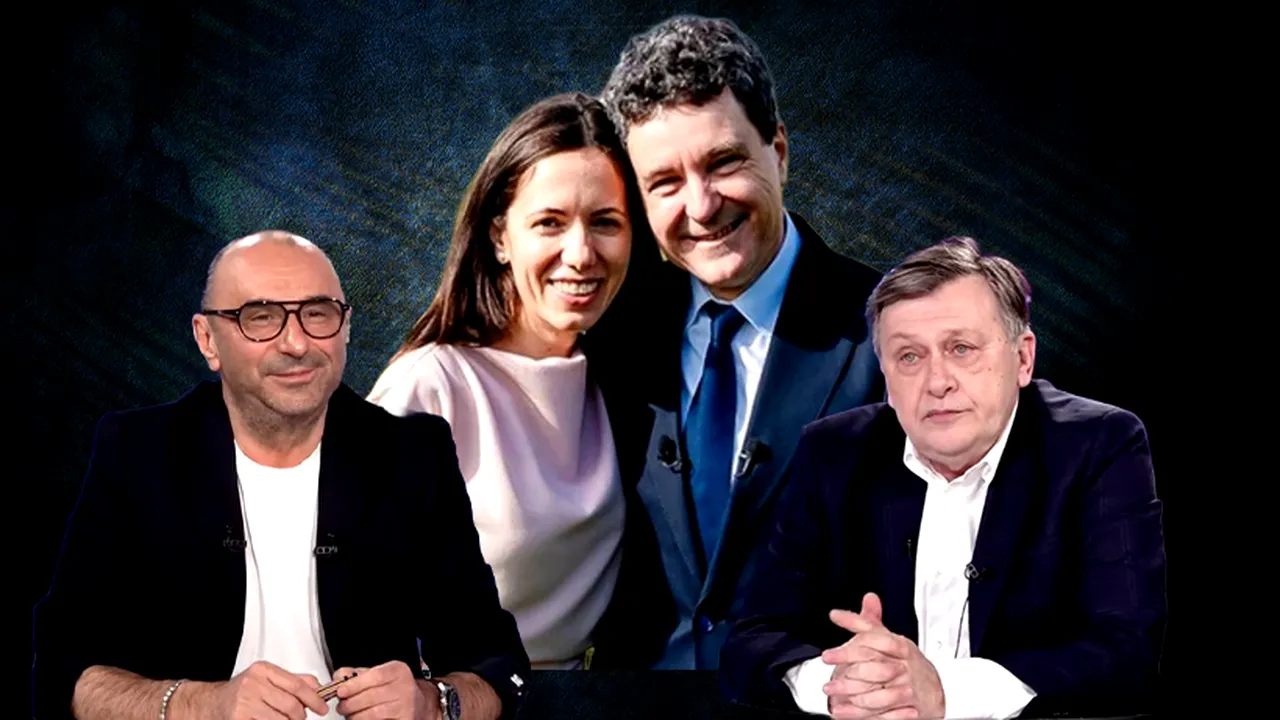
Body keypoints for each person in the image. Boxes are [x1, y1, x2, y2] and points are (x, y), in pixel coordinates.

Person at [32, 232, 530, 720]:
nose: (296, 343)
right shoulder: (137, 452)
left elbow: (499, 667)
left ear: (346, 327)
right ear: (207, 339)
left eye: (318, 314)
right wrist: (201, 705)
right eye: (261, 317)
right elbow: (62, 675)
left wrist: (433, 703)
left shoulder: (413, 454)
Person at [720, 237, 1167, 718]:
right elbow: (751, 642)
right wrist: (838, 683)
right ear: (885, 375)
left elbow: (1128, 651)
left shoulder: (1099, 444)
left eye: (962, 349)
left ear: (1023, 359)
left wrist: (942, 691)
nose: (937, 382)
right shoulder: (833, 452)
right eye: (909, 357)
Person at [594, 15, 885, 670]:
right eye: (665, 182)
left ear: (778, 151)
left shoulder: (895, 333)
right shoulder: (611, 337)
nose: (700, 206)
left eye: (723, 163)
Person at [367, 93, 647, 669]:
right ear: (500, 236)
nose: (581, 253)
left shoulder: (621, 392)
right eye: (549, 223)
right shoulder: (432, 388)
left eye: (605, 223)